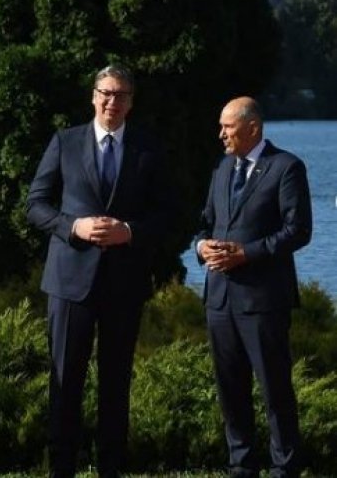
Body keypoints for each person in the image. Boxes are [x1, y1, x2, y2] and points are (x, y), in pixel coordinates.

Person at [26, 65, 173, 477]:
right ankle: (61, 470)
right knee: (64, 383)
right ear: (93, 96)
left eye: (121, 95)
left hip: (124, 284)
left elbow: (167, 213)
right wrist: (73, 226)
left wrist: (130, 231)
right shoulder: (65, 142)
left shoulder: (148, 148)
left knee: (115, 385)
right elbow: (35, 204)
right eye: (106, 93)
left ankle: (111, 469)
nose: (112, 102)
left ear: (131, 102)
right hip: (69, 282)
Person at [196, 96, 312, 478]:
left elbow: (298, 231)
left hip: (263, 301)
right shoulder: (221, 169)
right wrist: (201, 247)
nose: (221, 134)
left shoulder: (286, 167)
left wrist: (246, 254)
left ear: (253, 128)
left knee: (275, 392)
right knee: (230, 392)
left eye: (227, 127)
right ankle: (241, 467)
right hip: (219, 300)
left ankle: (284, 469)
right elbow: (206, 223)